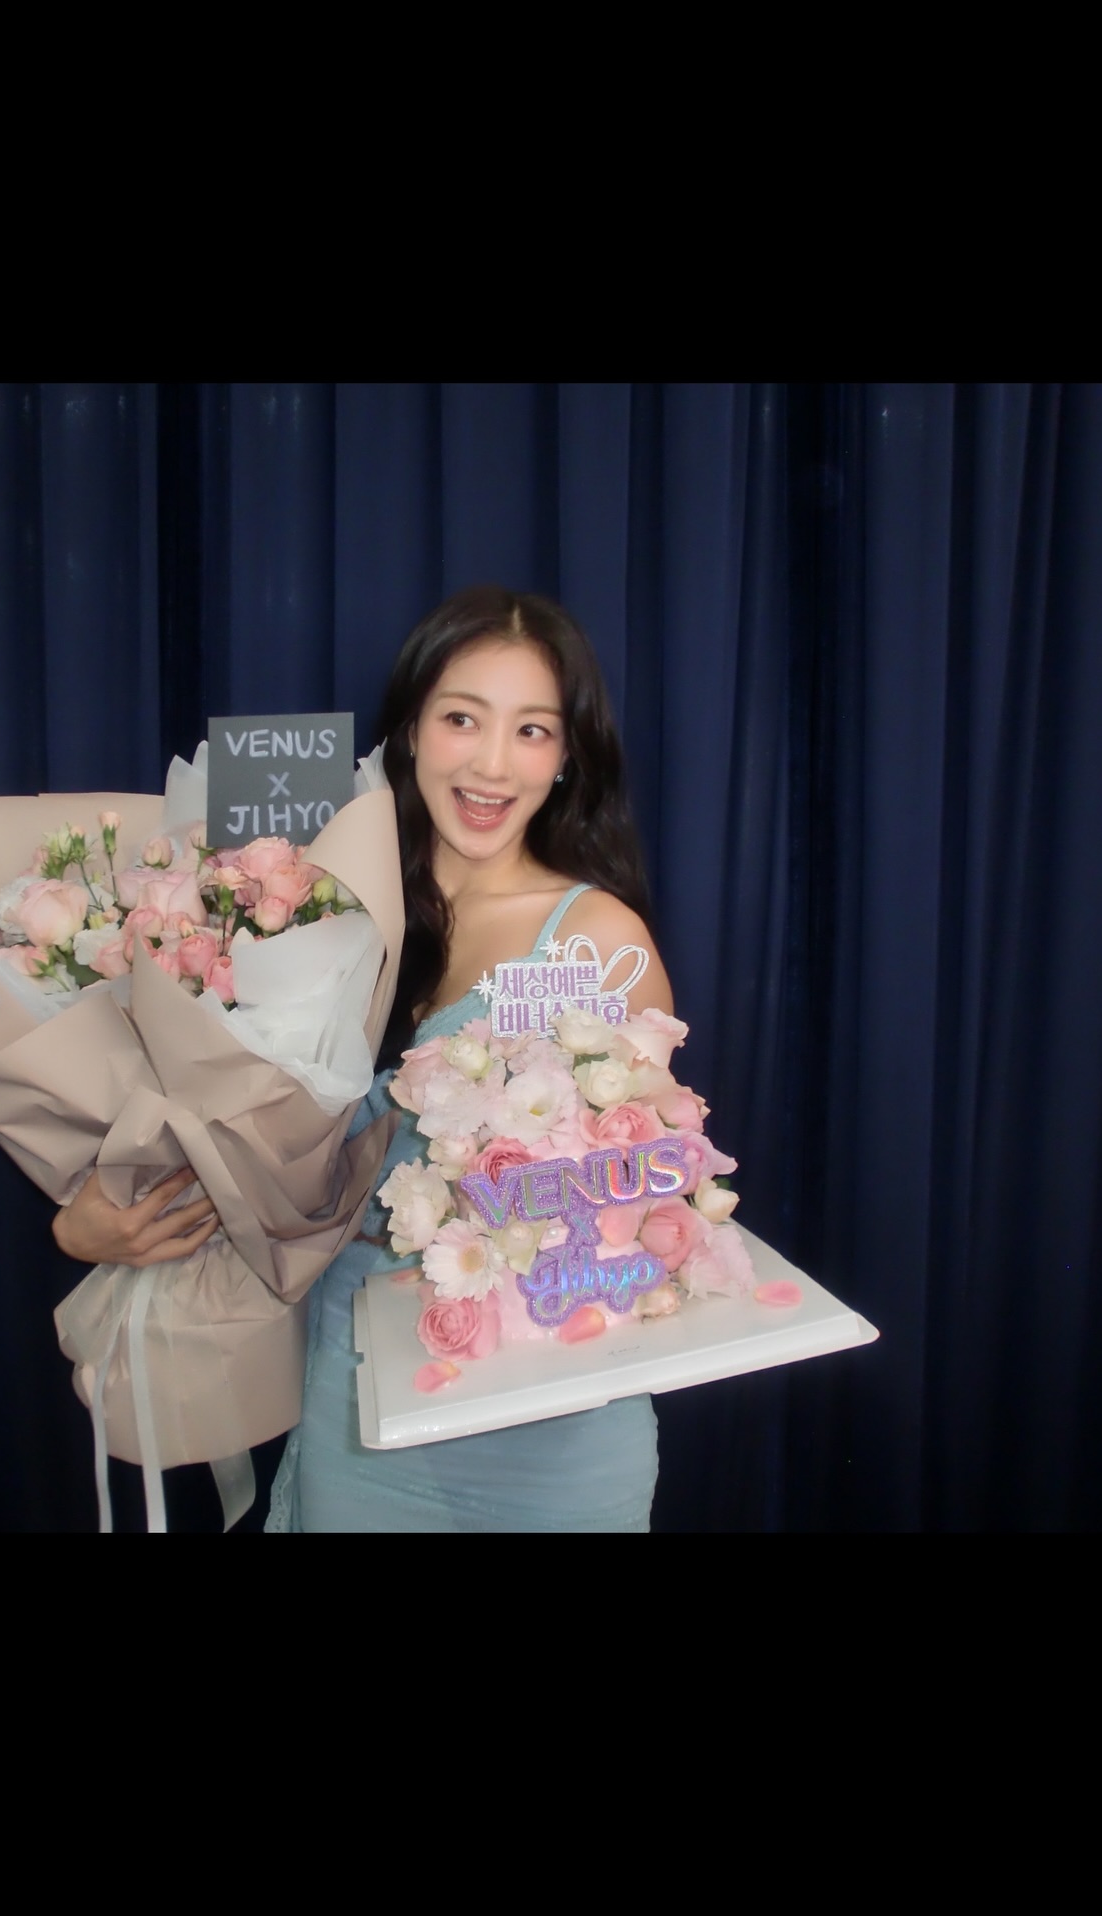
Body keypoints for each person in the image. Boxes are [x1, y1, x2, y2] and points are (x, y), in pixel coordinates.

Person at [54, 586, 673, 1531]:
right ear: (411, 730)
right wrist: (96, 1218)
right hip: (363, 1400)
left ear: (567, 758)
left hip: (554, 1426)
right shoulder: (303, 913)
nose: (492, 763)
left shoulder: (596, 939)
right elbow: (235, 1151)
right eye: (462, 718)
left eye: (533, 730)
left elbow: (655, 1191)